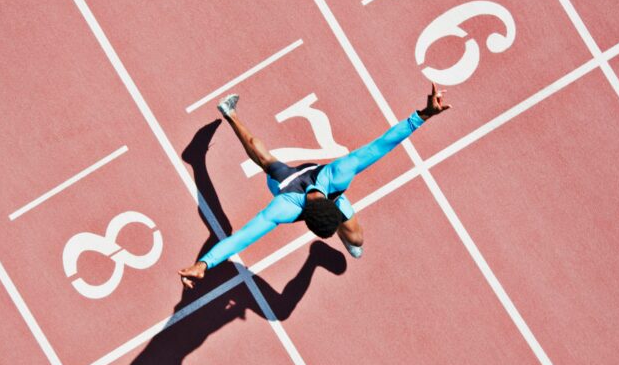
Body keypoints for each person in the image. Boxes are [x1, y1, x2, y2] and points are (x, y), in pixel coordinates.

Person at [178, 83, 451, 288]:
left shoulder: (334, 178)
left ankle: (221, 125)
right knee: (265, 161)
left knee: (355, 240)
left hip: (309, 187)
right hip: (286, 185)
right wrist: (204, 263)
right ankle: (229, 113)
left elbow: (382, 145)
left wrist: (424, 115)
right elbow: (242, 237)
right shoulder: (290, 204)